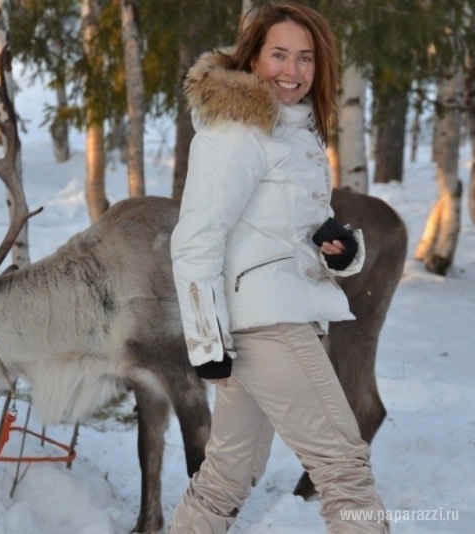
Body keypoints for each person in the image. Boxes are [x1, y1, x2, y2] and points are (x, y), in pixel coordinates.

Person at [169, 2, 389, 533]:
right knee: (344, 468)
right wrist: (206, 343)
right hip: (267, 325)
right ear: (253, 58)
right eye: (280, 55)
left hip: (271, 315)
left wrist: (336, 246)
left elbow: (281, 233)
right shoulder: (236, 131)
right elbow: (196, 239)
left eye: (306, 58)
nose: (293, 71)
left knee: (225, 477)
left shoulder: (291, 130)